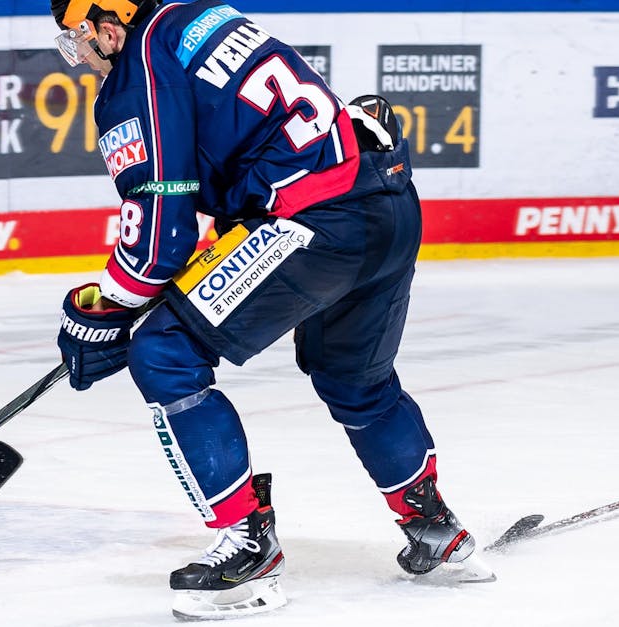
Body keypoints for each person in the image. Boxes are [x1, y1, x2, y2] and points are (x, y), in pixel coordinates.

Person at [47, 0, 492, 618]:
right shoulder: (201, 17)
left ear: (107, 25)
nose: (78, 53)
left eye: (77, 35)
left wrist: (101, 309)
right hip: (387, 203)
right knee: (354, 379)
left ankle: (248, 553)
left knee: (164, 351)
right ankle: (437, 531)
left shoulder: (136, 71)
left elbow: (159, 240)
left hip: (318, 227)